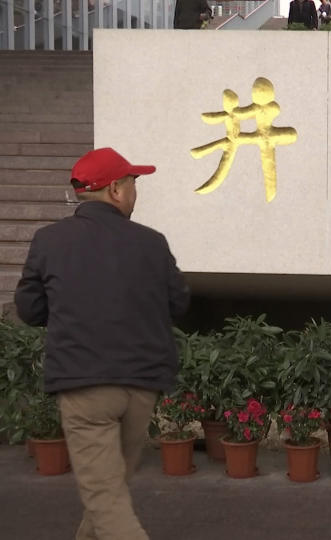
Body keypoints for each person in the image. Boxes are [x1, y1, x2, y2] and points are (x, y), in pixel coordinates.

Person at [15, 147, 190, 539]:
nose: (135, 192)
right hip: (142, 386)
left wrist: (70, 309)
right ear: (115, 190)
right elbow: (178, 303)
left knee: (106, 499)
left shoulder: (49, 241)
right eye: (133, 183)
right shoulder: (152, 243)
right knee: (109, 493)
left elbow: (28, 308)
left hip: (85, 386)